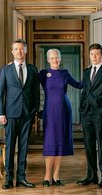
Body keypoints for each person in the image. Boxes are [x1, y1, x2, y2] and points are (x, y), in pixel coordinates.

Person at [0, 39, 40, 189]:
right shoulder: (5, 70)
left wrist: (34, 110)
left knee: (23, 147)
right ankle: (9, 179)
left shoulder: (33, 69)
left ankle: (21, 177)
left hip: (27, 114)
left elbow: (36, 92)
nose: (19, 52)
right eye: (16, 49)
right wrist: (0, 113)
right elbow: (0, 94)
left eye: (22, 49)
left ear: (26, 51)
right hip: (10, 115)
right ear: (12, 52)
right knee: (10, 147)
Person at [39, 49, 83, 187]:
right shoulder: (42, 74)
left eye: (57, 57)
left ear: (60, 58)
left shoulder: (65, 73)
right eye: (52, 58)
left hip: (64, 110)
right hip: (50, 112)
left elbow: (79, 85)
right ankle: (47, 176)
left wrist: (91, 74)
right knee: (50, 142)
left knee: (60, 143)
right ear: (48, 60)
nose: (55, 60)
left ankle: (56, 176)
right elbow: (28, 82)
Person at [78, 43, 102, 188]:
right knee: (88, 145)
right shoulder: (86, 72)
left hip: (100, 113)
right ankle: (91, 176)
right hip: (86, 113)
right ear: (89, 55)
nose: (94, 57)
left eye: (97, 54)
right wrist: (81, 109)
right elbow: (84, 91)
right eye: (92, 54)